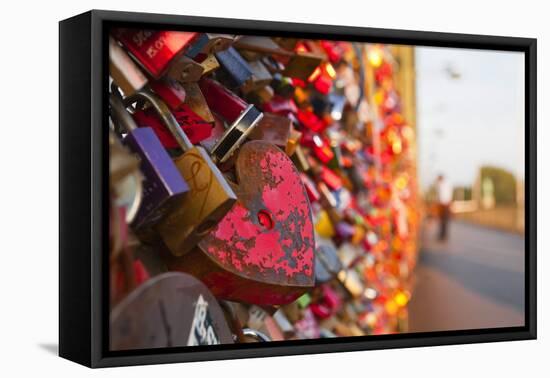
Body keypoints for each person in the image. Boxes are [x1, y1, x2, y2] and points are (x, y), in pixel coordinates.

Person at [435, 174, 453, 241]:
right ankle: (443, 235)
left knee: (444, 221)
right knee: (443, 221)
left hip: (444, 205)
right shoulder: (443, 185)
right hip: (444, 205)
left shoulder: (442, 185)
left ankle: (443, 235)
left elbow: (442, 197)